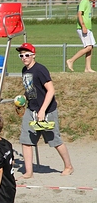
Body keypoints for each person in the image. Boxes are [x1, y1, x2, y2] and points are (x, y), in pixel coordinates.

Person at [16, 43, 74, 178]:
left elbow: (51, 90)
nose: (24, 58)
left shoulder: (40, 70)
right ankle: (29, 172)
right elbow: (30, 89)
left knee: (55, 140)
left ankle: (68, 166)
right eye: (21, 56)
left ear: (33, 55)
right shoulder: (24, 70)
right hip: (31, 110)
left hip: (47, 111)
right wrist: (23, 100)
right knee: (26, 141)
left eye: (27, 55)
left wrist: (42, 111)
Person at [66, 0, 97, 73]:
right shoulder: (84, 2)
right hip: (83, 28)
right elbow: (79, 14)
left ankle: (88, 68)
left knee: (90, 47)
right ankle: (71, 60)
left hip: (88, 28)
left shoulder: (88, 3)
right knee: (88, 47)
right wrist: (83, 26)